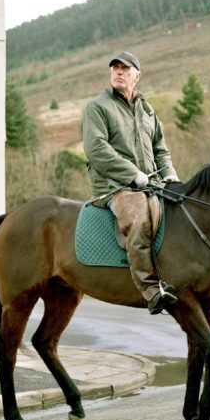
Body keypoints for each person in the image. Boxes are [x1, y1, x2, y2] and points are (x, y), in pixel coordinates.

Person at [80, 51, 180, 314]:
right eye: (115, 68)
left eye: (125, 68)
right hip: (114, 187)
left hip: (150, 183)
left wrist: (169, 173)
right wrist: (132, 174)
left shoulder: (147, 110)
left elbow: (160, 148)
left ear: (138, 75)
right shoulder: (98, 107)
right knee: (138, 217)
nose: (119, 72)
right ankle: (150, 290)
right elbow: (97, 150)